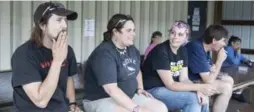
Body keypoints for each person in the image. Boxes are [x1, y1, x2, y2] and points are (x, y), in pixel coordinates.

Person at [82, 14, 168, 112]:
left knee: (160, 108)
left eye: (133, 30)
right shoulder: (104, 53)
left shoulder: (132, 49)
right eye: (128, 30)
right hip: (101, 99)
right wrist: (136, 108)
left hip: (129, 96)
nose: (133, 34)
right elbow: (111, 89)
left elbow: (137, 70)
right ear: (115, 32)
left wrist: (140, 88)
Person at [11, 2, 81, 112]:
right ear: (42, 25)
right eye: (58, 20)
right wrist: (57, 61)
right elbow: (40, 101)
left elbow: (68, 78)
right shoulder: (24, 54)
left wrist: (72, 104)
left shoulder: (68, 50)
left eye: (65, 20)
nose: (65, 25)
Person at [142, 20, 214, 112]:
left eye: (180, 34)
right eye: (173, 33)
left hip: (169, 88)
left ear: (186, 37)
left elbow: (184, 79)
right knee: (193, 99)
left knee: (203, 98)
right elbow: (170, 84)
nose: (175, 37)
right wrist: (199, 87)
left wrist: (199, 91)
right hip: (153, 89)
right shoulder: (161, 51)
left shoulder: (183, 51)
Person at [186, 25, 234, 112]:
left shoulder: (205, 48)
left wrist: (214, 69)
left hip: (199, 79)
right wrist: (219, 61)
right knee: (226, 87)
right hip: (188, 82)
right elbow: (208, 80)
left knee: (229, 79)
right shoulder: (196, 47)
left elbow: (212, 69)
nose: (224, 44)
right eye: (223, 40)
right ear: (214, 41)